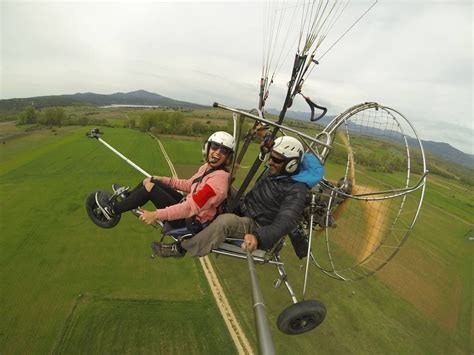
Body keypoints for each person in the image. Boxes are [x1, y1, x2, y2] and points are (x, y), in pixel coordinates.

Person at [151, 135, 318, 258]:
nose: (270, 162)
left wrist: (258, 237)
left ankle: (182, 248)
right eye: (270, 157)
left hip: (257, 225)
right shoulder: (276, 172)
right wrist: (263, 146)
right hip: (245, 208)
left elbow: (286, 221)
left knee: (226, 221)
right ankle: (192, 218)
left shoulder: (297, 190)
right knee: (221, 187)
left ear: (291, 164)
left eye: (275, 159)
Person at [95, 131, 235, 231]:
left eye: (224, 151)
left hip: (188, 221)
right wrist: (165, 180)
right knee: (151, 180)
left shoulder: (218, 182)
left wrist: (156, 215)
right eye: (215, 147)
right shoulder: (207, 168)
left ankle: (113, 210)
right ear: (208, 148)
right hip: (186, 207)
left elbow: (190, 208)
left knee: (150, 188)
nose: (217, 152)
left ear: (228, 157)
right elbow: (188, 185)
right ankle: (131, 197)